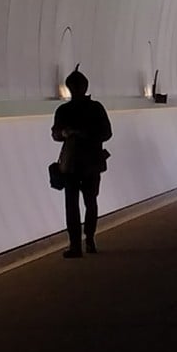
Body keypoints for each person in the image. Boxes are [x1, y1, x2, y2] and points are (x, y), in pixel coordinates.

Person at [51, 68, 112, 258]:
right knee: (90, 202)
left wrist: (67, 133)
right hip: (91, 162)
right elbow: (107, 133)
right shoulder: (96, 108)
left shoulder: (63, 110)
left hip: (71, 163)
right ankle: (89, 239)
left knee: (73, 204)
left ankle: (76, 244)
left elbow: (55, 134)